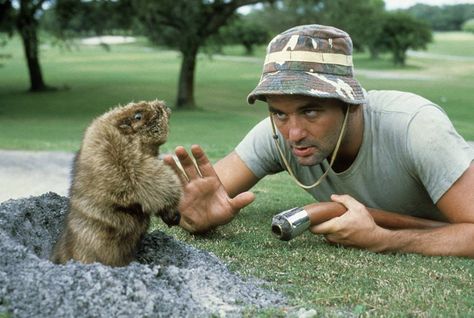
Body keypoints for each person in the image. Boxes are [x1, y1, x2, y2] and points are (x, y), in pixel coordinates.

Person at [163, 24, 474, 258]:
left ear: (350, 103)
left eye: (310, 111)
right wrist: (192, 216)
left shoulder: (416, 128)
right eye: (279, 114)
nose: (293, 133)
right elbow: (209, 195)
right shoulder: (277, 132)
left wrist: (385, 240)